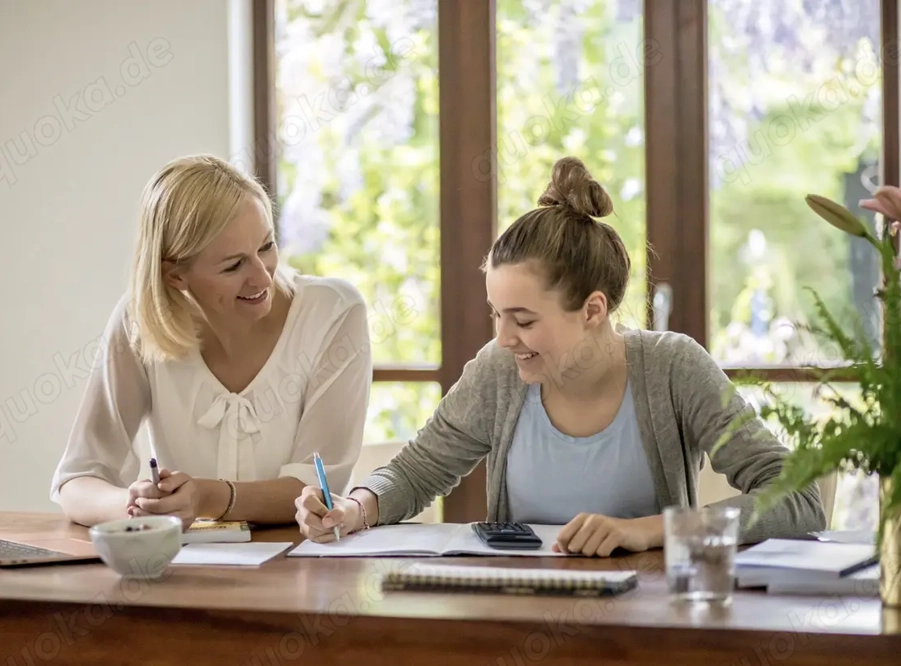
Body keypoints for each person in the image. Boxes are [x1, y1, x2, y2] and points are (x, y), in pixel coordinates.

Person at [294, 156, 825, 556]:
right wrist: (355, 506)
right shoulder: (499, 372)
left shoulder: (673, 369)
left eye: (523, 320)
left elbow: (799, 499)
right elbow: (414, 471)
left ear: (593, 309)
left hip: (651, 627)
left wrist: (649, 531)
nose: (504, 338)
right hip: (520, 618)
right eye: (496, 315)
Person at [51, 155, 373, 529]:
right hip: (184, 574)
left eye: (266, 247)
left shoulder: (333, 313)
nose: (261, 278)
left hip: (300, 570)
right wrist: (138, 504)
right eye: (233, 266)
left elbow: (317, 490)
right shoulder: (140, 320)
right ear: (175, 276)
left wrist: (206, 497)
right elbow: (76, 482)